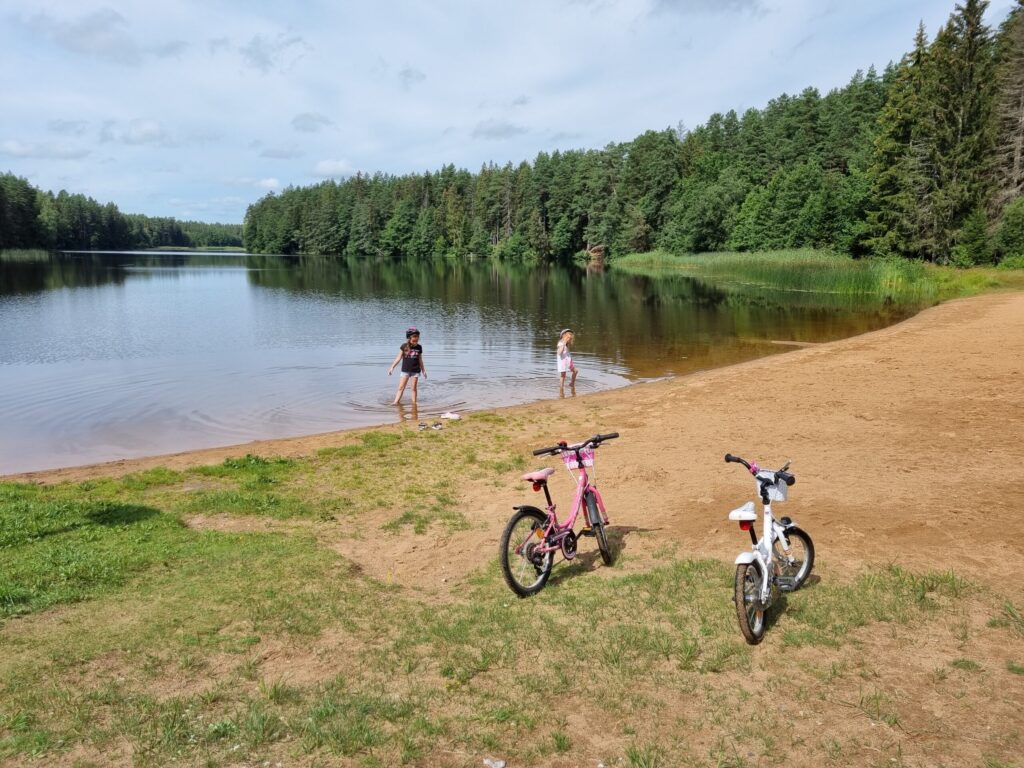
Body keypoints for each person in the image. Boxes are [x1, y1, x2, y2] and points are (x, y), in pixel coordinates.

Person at [388, 327, 426, 405]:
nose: (416, 339)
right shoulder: (404, 346)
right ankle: (395, 402)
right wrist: (392, 367)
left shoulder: (419, 347)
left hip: (415, 371)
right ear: (409, 338)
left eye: (417, 337)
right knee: (401, 387)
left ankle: (414, 404)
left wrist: (423, 370)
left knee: (414, 389)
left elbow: (420, 360)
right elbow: (398, 358)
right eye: (414, 337)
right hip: (405, 370)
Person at [557, 328, 577, 392]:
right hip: (562, 362)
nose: (570, 337)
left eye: (570, 336)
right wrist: (563, 343)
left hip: (568, 361)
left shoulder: (566, 344)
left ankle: (571, 383)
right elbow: (559, 353)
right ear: (563, 336)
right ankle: (561, 388)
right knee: (563, 375)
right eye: (568, 336)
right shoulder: (560, 344)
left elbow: (567, 352)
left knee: (575, 371)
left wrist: (566, 343)